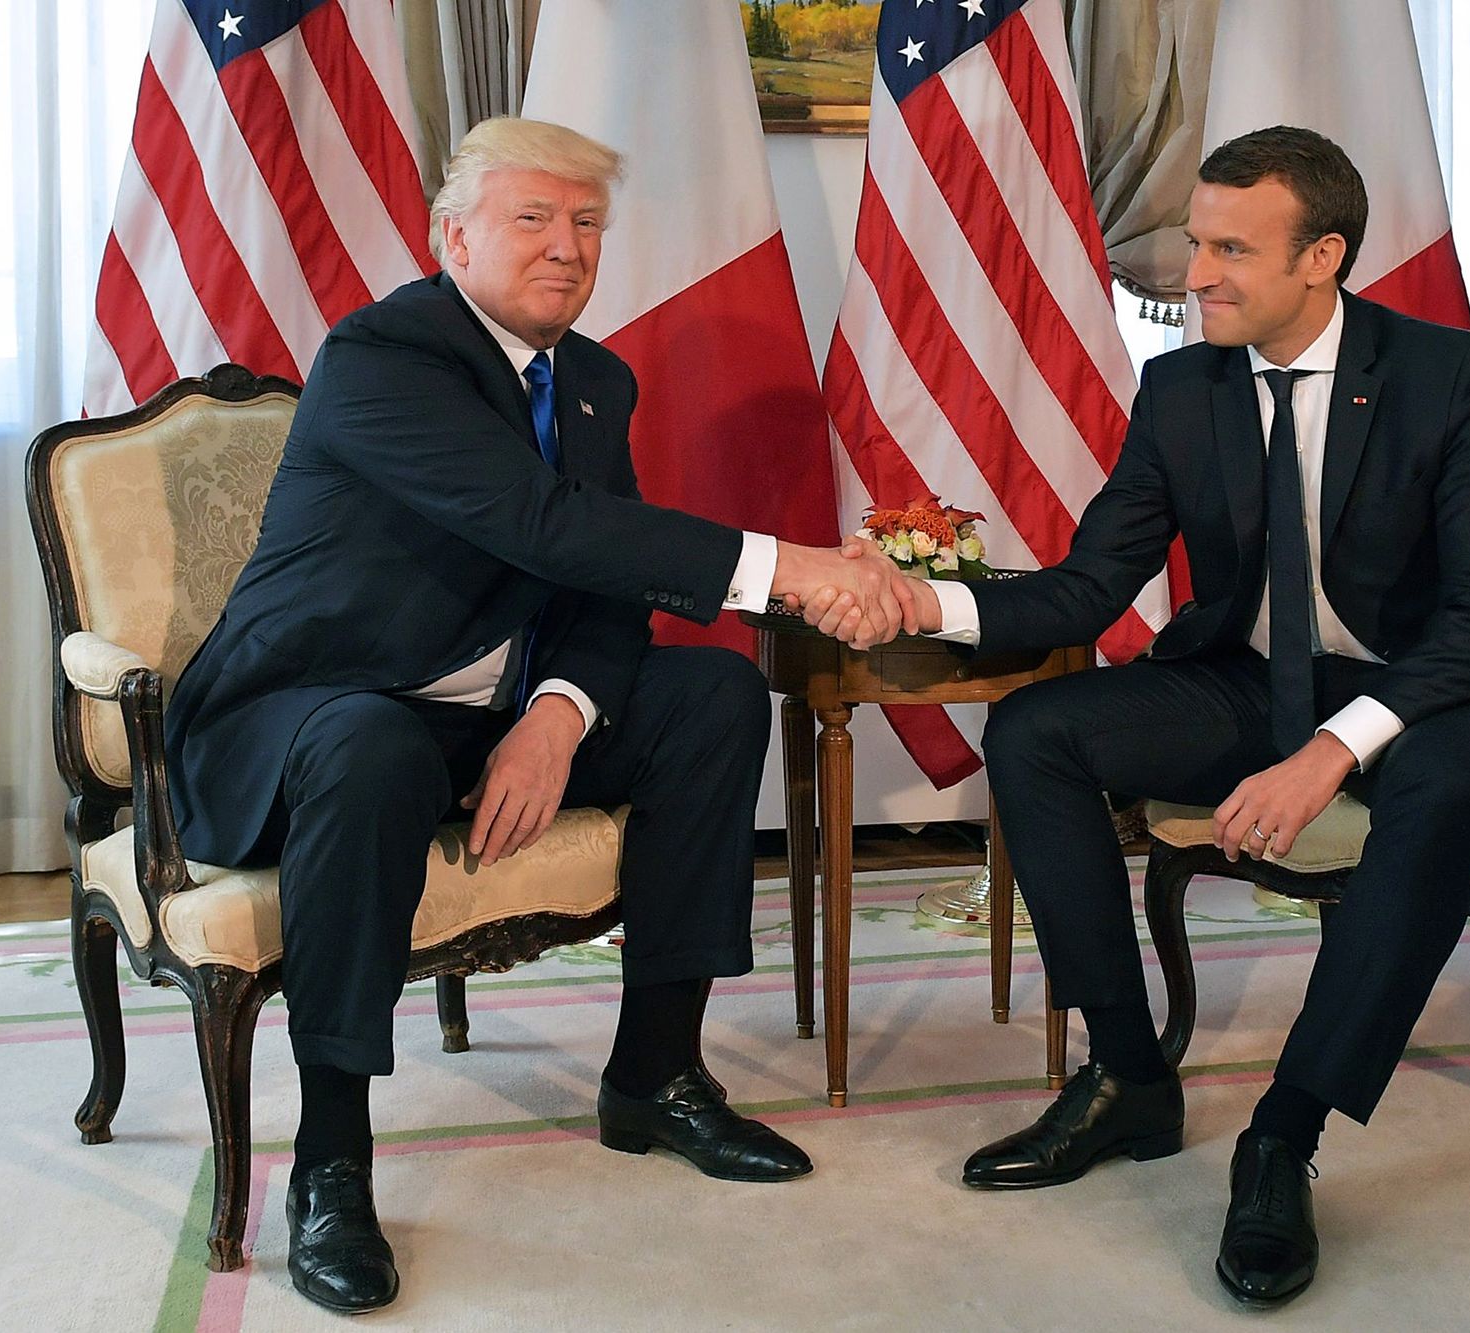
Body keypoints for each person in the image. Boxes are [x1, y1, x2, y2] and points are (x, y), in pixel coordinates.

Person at [809, 125, 1470, 1308]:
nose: (1193, 274)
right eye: (1193, 242)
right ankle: (1127, 1077)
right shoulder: (1181, 388)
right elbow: (1084, 586)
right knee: (1036, 733)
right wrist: (927, 602)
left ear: (1321, 256)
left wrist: (1330, 751)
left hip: (1430, 690)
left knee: (1438, 790)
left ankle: (1284, 1133)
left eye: (1229, 248)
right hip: (1249, 676)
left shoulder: (1444, 374)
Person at [165, 116, 915, 1315]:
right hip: (320, 700)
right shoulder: (383, 356)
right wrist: (789, 567)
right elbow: (542, 526)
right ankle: (332, 1160)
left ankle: (656, 1074)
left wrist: (561, 712)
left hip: (489, 705)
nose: (566, 248)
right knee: (365, 749)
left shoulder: (596, 380)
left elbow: (603, 581)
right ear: (452, 237)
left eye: (585, 225)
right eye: (533, 220)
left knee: (713, 694)